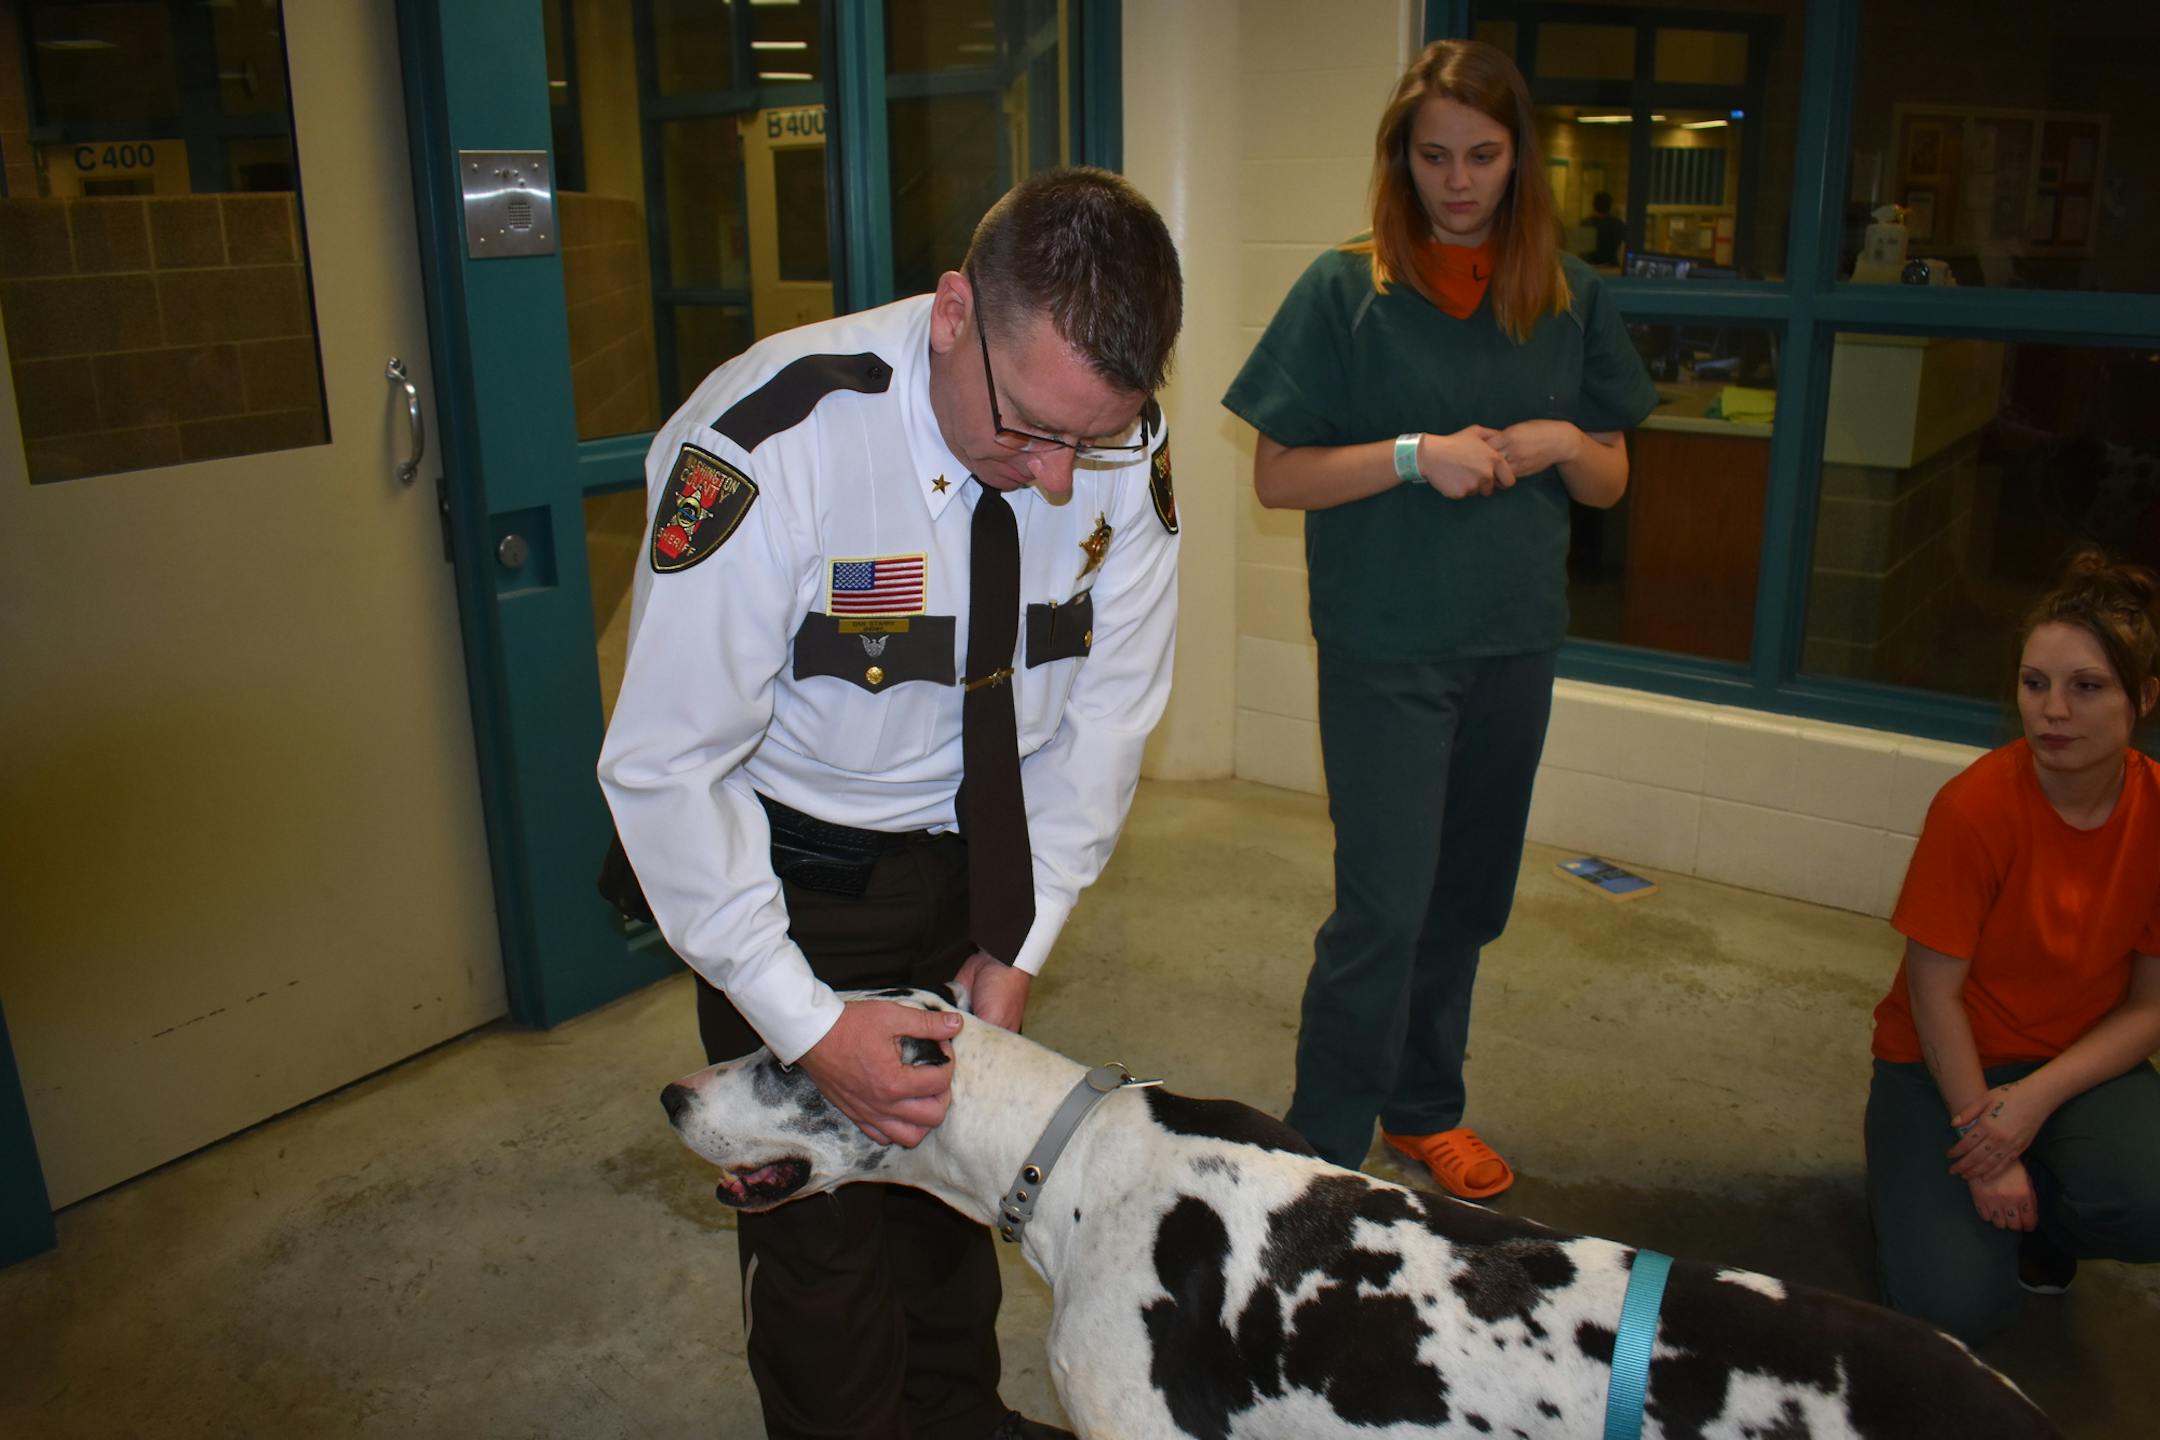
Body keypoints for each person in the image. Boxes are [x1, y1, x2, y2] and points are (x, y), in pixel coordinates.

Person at [598, 166, 1183, 1440]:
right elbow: (668, 767)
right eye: (1030, 429)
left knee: (950, 1188)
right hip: (798, 883)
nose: (1057, 477)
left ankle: (956, 1418)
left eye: (1089, 441)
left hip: (981, 862)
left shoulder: (1115, 442)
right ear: (955, 312)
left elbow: (1107, 718)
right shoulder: (769, 439)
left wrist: (1020, 941)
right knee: (818, 1240)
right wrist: (807, 1027)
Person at [1220, 39, 1655, 1198]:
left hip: (1515, 639)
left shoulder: (1566, 295)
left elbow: (1611, 477)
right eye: (1434, 156)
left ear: (1521, 159)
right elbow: (1279, 475)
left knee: (1465, 900)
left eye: (1483, 155)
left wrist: (1563, 442)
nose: (1458, 182)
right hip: (1388, 648)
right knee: (1383, 908)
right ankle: (1322, 1147)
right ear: (1399, 160)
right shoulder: (1342, 291)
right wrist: (1415, 455)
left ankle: (1422, 1111)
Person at [1865, 550, 2160, 1345]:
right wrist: (1987, 1146)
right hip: (1939, 1065)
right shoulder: (1974, 808)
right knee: (1956, 1311)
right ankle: (1921, 1191)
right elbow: (1933, 994)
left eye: (2086, 687)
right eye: (2035, 683)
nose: (2052, 710)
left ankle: (2044, 1220)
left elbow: (2152, 1006)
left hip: (2076, 1063)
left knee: (2149, 1199)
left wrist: (2030, 1104)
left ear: (2144, 697)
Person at [1586, 190, 1627, 266]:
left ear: (1594, 205)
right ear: (1610, 206)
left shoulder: (1586, 223)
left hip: (1589, 265)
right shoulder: (1617, 224)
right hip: (1611, 265)